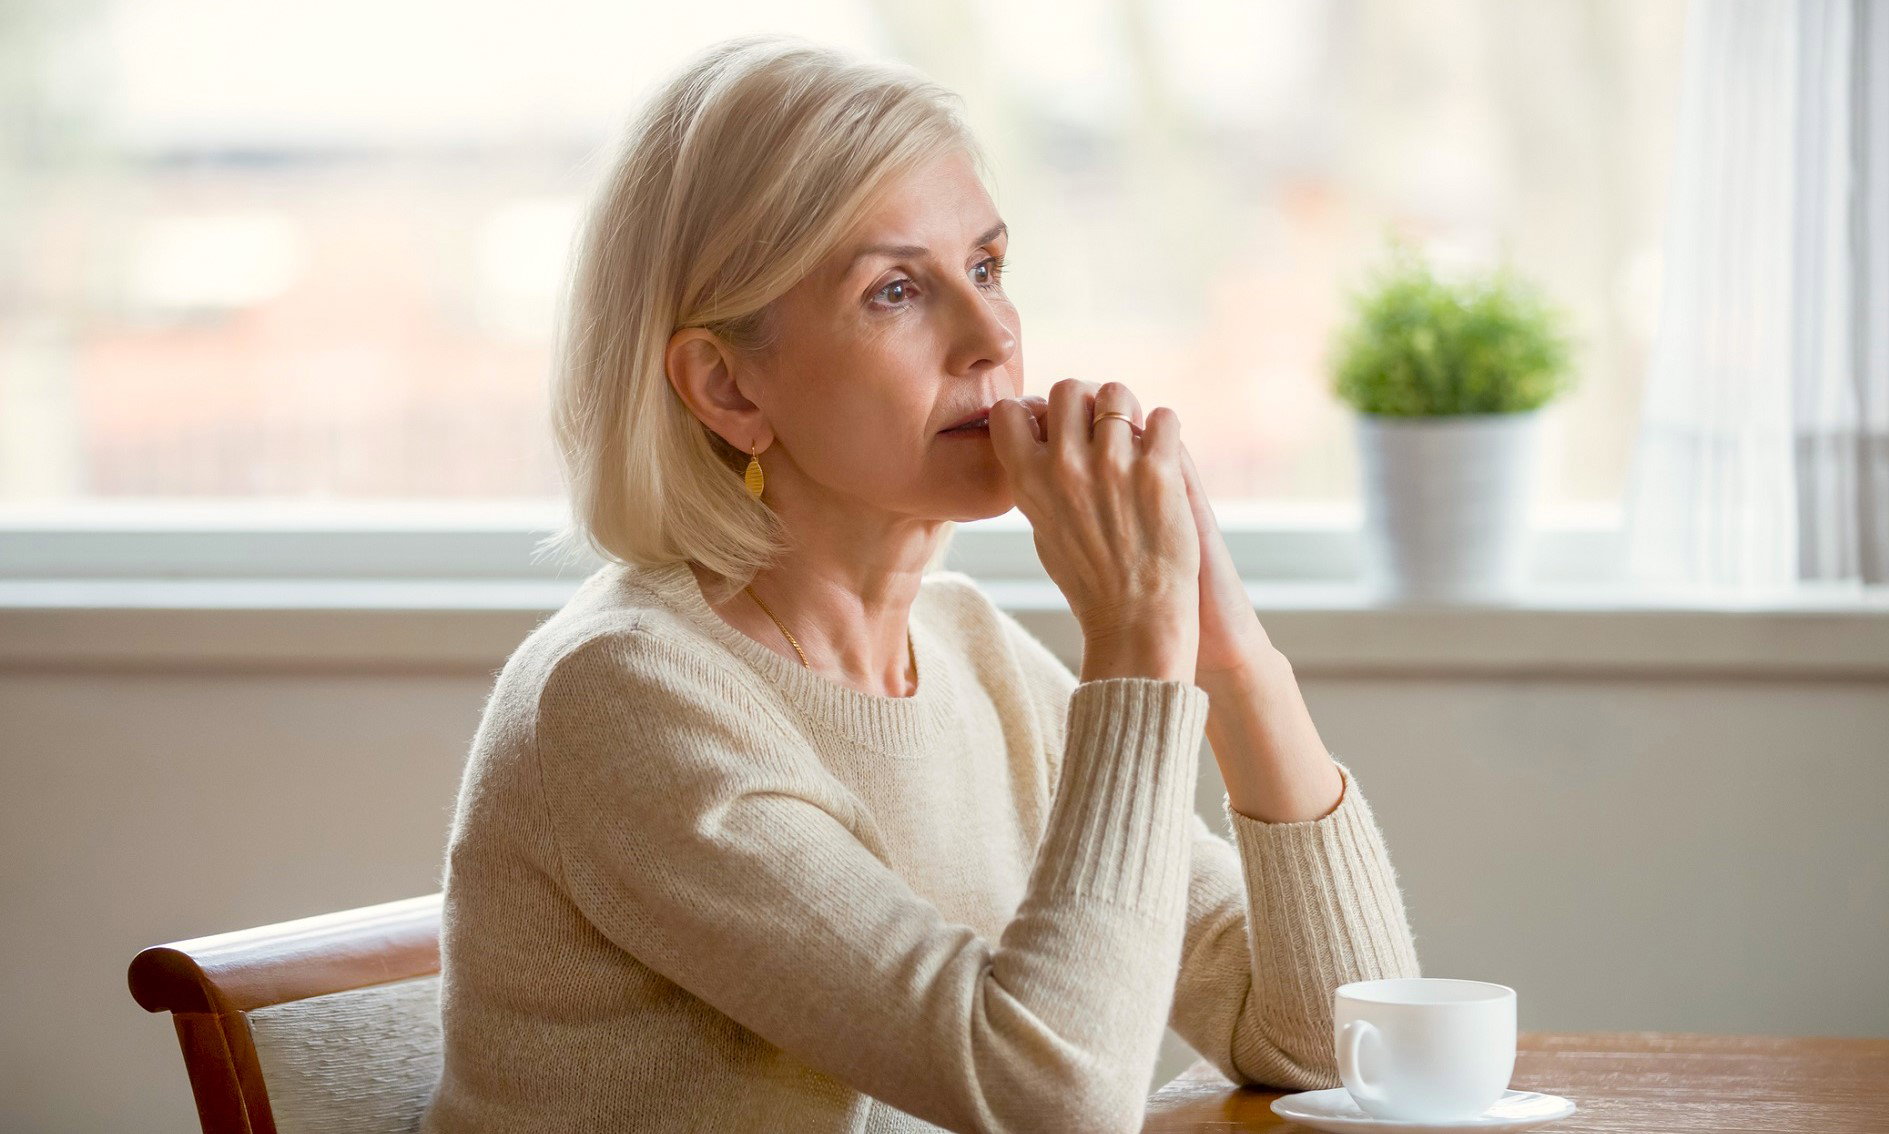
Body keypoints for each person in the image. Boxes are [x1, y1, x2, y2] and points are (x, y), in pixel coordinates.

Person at [422, 32, 1421, 1134]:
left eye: (987, 269)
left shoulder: (966, 650)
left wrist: (1225, 651)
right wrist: (1135, 646)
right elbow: (1050, 1098)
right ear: (727, 387)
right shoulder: (624, 697)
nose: (992, 336)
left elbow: (1339, 1044)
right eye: (896, 290)